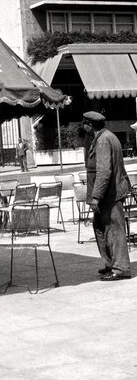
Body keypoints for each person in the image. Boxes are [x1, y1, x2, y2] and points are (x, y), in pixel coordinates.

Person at [83, 111, 131, 281]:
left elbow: (104, 171)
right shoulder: (106, 136)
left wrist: (96, 197)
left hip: (109, 195)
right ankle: (110, 264)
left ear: (89, 125)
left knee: (114, 231)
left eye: (84, 124)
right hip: (109, 194)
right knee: (101, 229)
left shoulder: (103, 140)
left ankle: (120, 269)